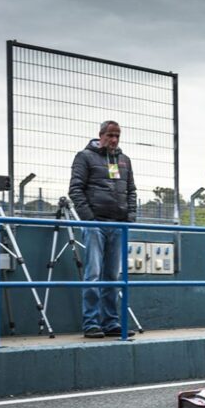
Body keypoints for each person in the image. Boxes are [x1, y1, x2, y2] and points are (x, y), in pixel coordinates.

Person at [69, 120, 137, 338]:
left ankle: (111, 322)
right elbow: (75, 190)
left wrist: (130, 216)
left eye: (117, 135)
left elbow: (131, 190)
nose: (114, 139)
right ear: (100, 135)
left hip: (118, 225)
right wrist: (90, 219)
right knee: (94, 274)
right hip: (96, 224)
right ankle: (91, 323)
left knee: (113, 276)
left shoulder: (124, 160)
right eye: (110, 135)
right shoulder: (85, 157)